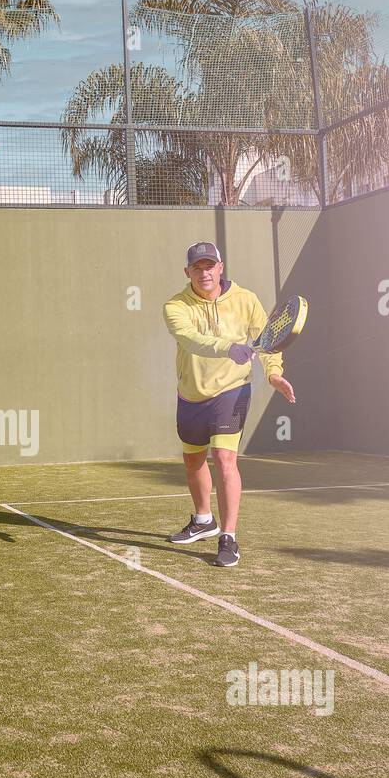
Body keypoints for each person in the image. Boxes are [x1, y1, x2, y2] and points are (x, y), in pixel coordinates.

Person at [161, 241, 296, 567]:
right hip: (191, 394)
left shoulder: (246, 300)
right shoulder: (175, 306)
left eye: (210, 266)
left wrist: (274, 374)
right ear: (187, 272)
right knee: (193, 463)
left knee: (224, 458)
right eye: (198, 267)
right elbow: (190, 339)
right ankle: (204, 519)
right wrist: (227, 347)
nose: (204, 272)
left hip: (232, 390)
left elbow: (270, 338)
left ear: (221, 267)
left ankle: (228, 538)